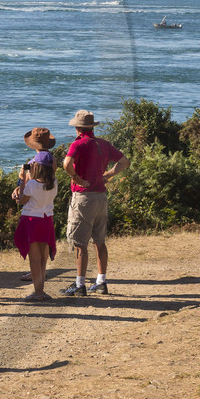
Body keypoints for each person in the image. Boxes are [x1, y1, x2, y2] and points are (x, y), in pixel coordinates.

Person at [61, 109, 130, 297]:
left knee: (79, 242)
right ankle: (101, 281)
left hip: (83, 197)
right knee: (99, 241)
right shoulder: (103, 144)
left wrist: (75, 177)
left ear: (77, 128)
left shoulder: (78, 144)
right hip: (101, 196)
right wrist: (108, 175)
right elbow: (124, 161)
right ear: (92, 127)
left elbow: (67, 163)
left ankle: (80, 284)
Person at [12, 155, 59, 301]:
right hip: (46, 220)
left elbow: (21, 200)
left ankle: (38, 292)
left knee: (34, 258)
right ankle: (41, 290)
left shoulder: (32, 185)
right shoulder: (54, 183)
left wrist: (22, 180)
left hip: (32, 221)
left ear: (36, 167)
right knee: (43, 258)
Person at [17, 128, 57, 281]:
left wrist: (21, 182)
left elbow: (29, 186)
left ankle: (37, 278)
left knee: (34, 250)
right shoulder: (52, 160)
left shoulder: (35, 162)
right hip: (46, 208)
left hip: (33, 210)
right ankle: (42, 271)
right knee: (44, 247)